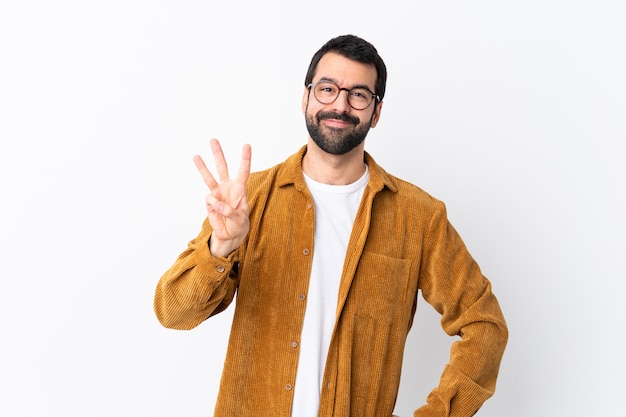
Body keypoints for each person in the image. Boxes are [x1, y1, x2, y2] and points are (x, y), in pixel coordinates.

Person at [154, 34, 508, 417]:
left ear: (376, 111)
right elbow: (173, 313)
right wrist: (220, 248)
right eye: (327, 89)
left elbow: (483, 323)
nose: (340, 104)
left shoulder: (419, 217)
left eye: (358, 94)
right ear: (305, 98)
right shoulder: (249, 199)